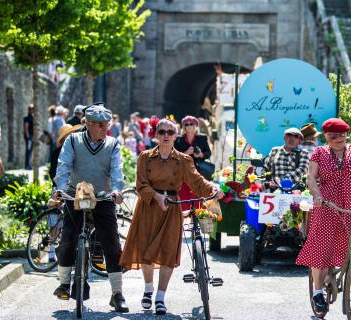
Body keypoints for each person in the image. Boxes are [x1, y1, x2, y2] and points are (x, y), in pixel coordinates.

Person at [120, 119, 223, 315]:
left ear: (176, 136)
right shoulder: (145, 157)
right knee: (146, 251)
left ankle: (160, 296)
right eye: (162, 132)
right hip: (149, 206)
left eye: (170, 132)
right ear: (156, 135)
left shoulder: (183, 160)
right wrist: (157, 197)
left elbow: (197, 181)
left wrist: (213, 188)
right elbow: (141, 185)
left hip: (172, 208)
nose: (166, 135)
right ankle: (148, 288)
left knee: (168, 252)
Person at [296, 118, 351, 314]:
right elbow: (310, 178)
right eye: (333, 136)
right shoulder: (319, 152)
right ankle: (318, 293)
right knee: (322, 250)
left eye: (342, 135)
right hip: (327, 207)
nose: (339, 139)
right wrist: (317, 196)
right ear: (326, 137)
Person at [52, 103, 129, 312]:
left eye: (107, 124)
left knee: (112, 244)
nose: (106, 128)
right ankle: (65, 283)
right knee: (67, 239)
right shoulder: (73, 140)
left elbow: (116, 169)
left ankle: (117, 293)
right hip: (75, 194)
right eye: (101, 125)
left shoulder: (112, 144)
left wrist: (116, 190)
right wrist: (60, 189)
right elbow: (64, 166)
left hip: (103, 197)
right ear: (88, 124)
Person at [175, 116, 213, 211]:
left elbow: (208, 153)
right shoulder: (178, 139)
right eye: (186, 124)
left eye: (191, 124)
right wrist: (186, 153)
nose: (189, 126)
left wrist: (200, 154)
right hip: (184, 172)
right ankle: (183, 215)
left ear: (195, 125)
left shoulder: (202, 138)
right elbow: (174, 155)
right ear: (184, 127)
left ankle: (197, 216)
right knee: (184, 194)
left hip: (198, 171)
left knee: (197, 194)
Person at [23, 105, 34, 169]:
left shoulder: (32, 117)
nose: (33, 110)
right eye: (32, 109)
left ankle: (28, 165)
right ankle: (27, 165)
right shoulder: (27, 118)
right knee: (28, 151)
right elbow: (26, 127)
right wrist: (28, 136)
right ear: (29, 110)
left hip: (31, 136)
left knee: (30, 151)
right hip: (29, 137)